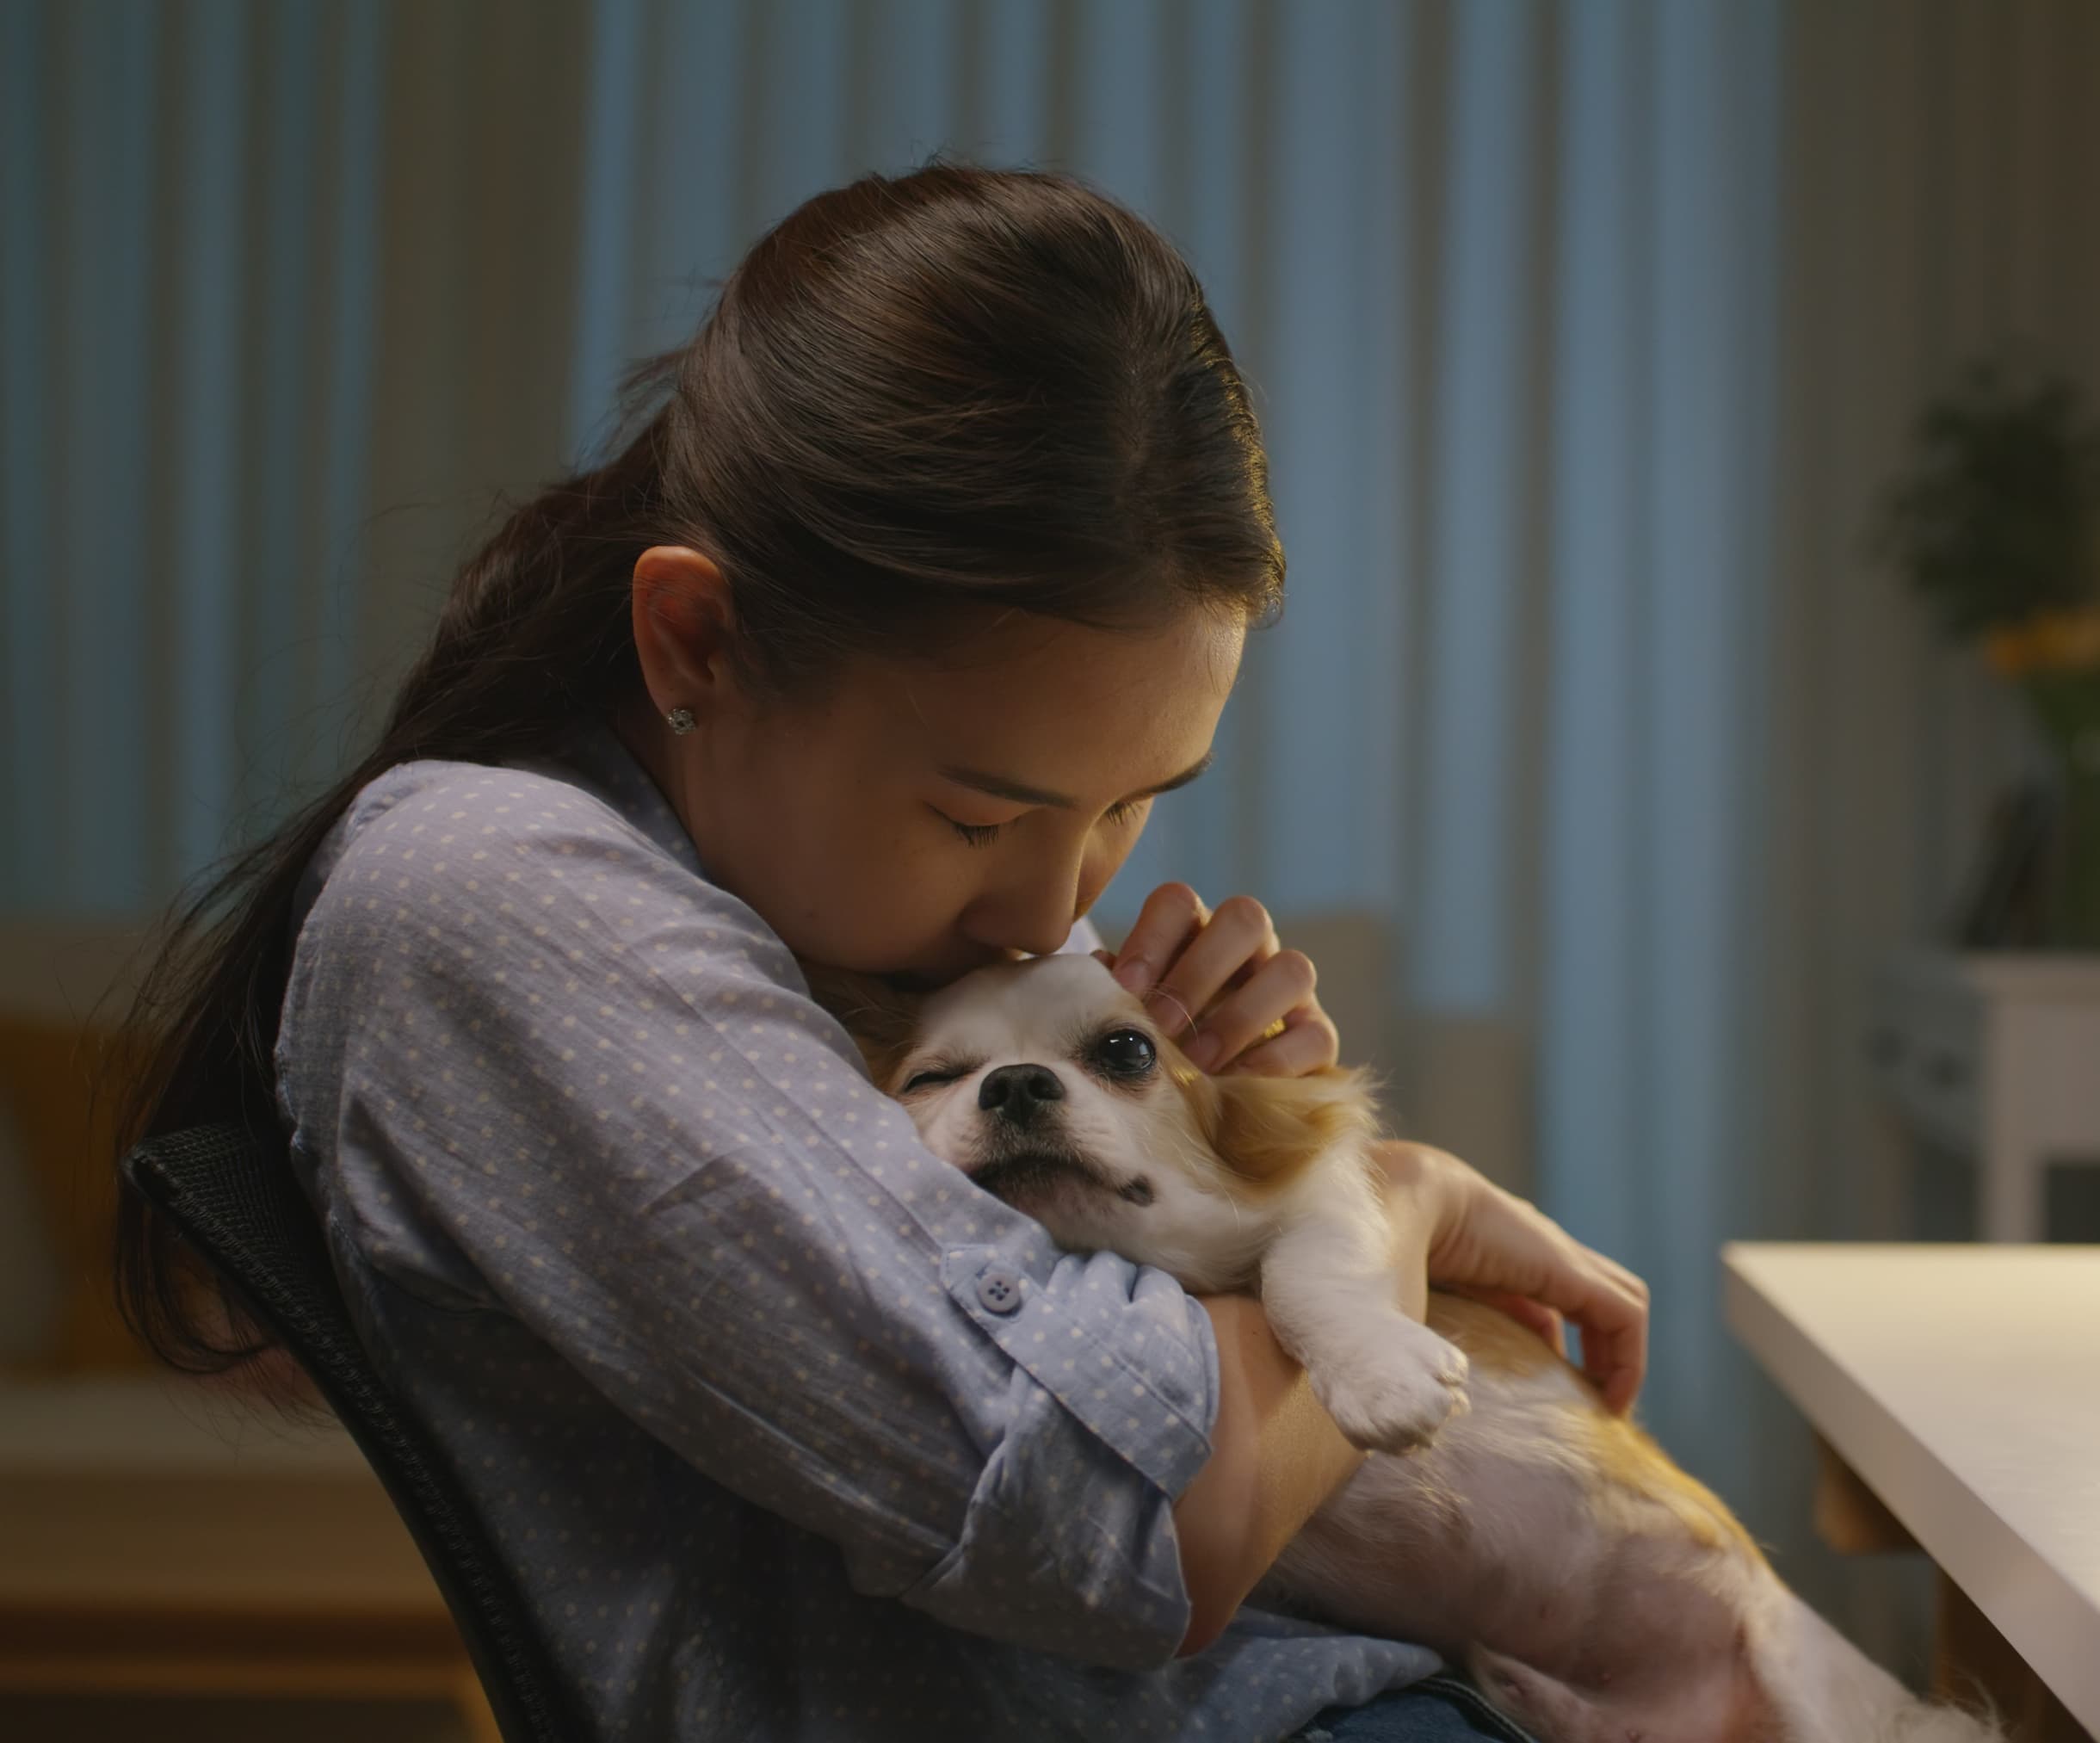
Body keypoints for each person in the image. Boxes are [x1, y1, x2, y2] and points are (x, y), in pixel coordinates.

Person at [112, 165, 1645, 1743]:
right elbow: (1128, 1519)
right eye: (981, 818)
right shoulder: (489, 889)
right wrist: (1391, 1202)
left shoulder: (824, 936)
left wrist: (1225, 1160)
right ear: (695, 642)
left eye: (1128, 807)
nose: (1056, 913)